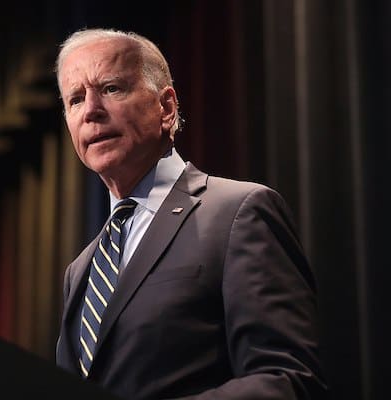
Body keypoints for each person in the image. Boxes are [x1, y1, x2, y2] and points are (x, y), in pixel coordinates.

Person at [54, 27, 327, 400]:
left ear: (166, 107)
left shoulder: (237, 213)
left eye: (111, 88)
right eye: (75, 99)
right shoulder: (81, 271)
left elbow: (288, 379)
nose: (91, 111)